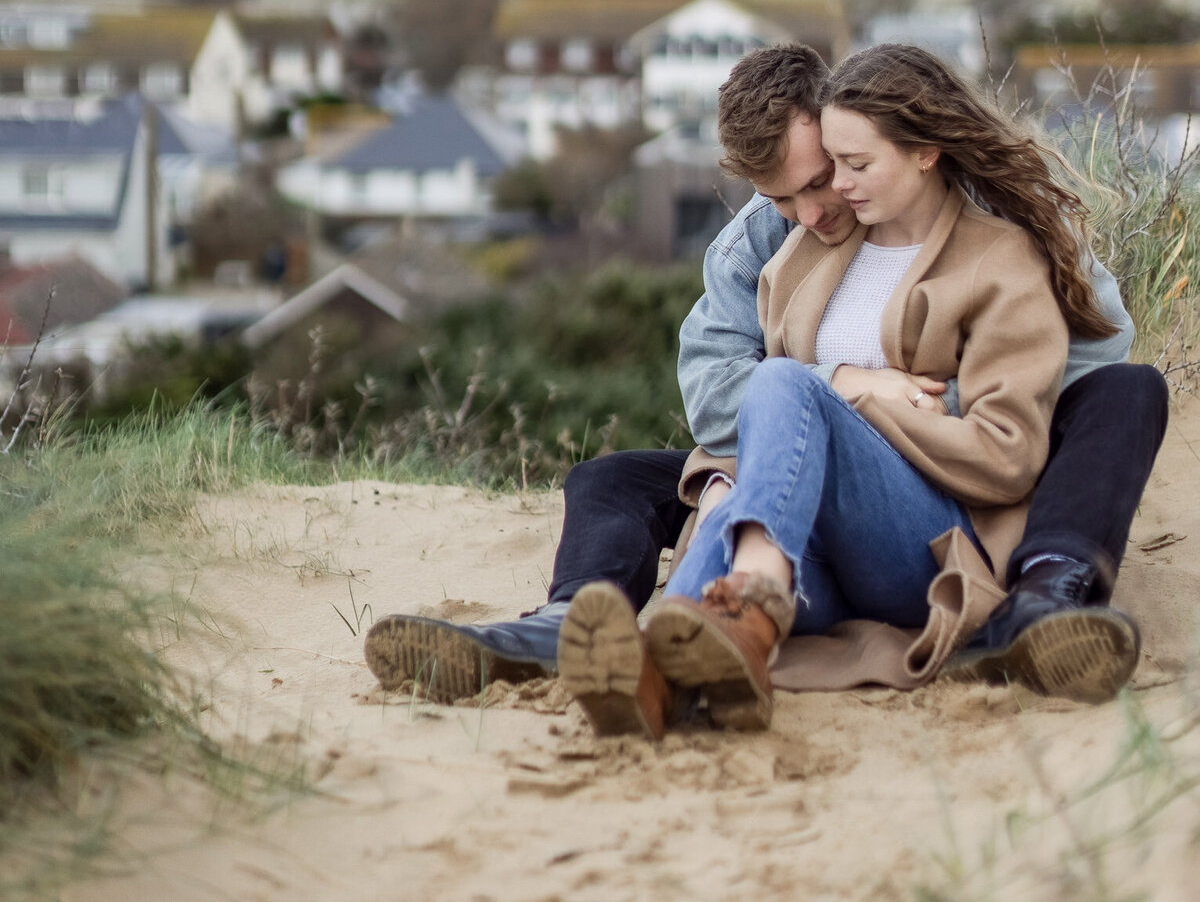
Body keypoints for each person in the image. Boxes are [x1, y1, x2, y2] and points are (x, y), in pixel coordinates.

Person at [364, 44, 1167, 735]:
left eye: (833, 173)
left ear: (846, 122)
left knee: (1127, 391)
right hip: (801, 486)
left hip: (930, 496)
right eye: (782, 196)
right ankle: (594, 638)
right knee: (622, 476)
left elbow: (1086, 354)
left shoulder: (987, 229)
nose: (817, 208)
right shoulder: (772, 245)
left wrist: (916, 405)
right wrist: (847, 387)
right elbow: (716, 397)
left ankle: (1039, 592)